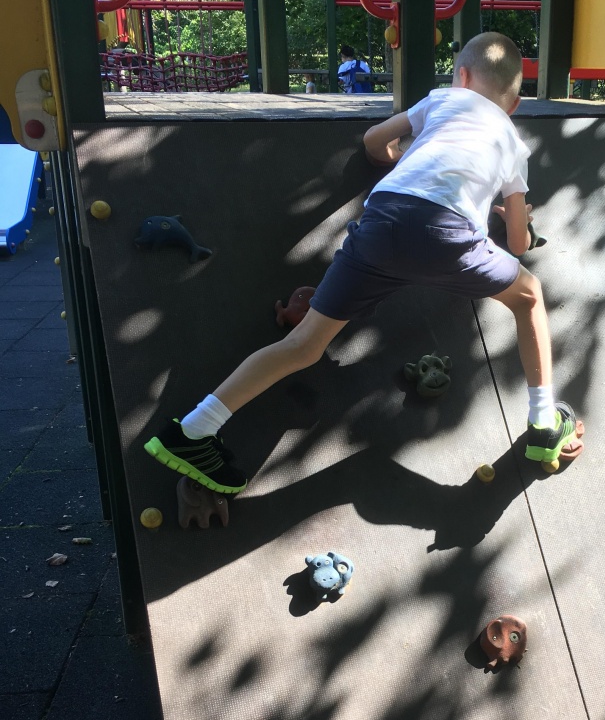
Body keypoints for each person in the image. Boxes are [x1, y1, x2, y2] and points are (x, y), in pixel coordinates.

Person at [143, 31, 580, 494]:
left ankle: (193, 429)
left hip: (381, 219)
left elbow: (373, 141)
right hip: (448, 235)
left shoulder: (441, 101)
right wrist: (523, 221)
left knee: (304, 344)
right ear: (512, 106)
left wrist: (398, 159)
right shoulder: (512, 142)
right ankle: (542, 424)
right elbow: (515, 243)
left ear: (462, 76)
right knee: (529, 296)